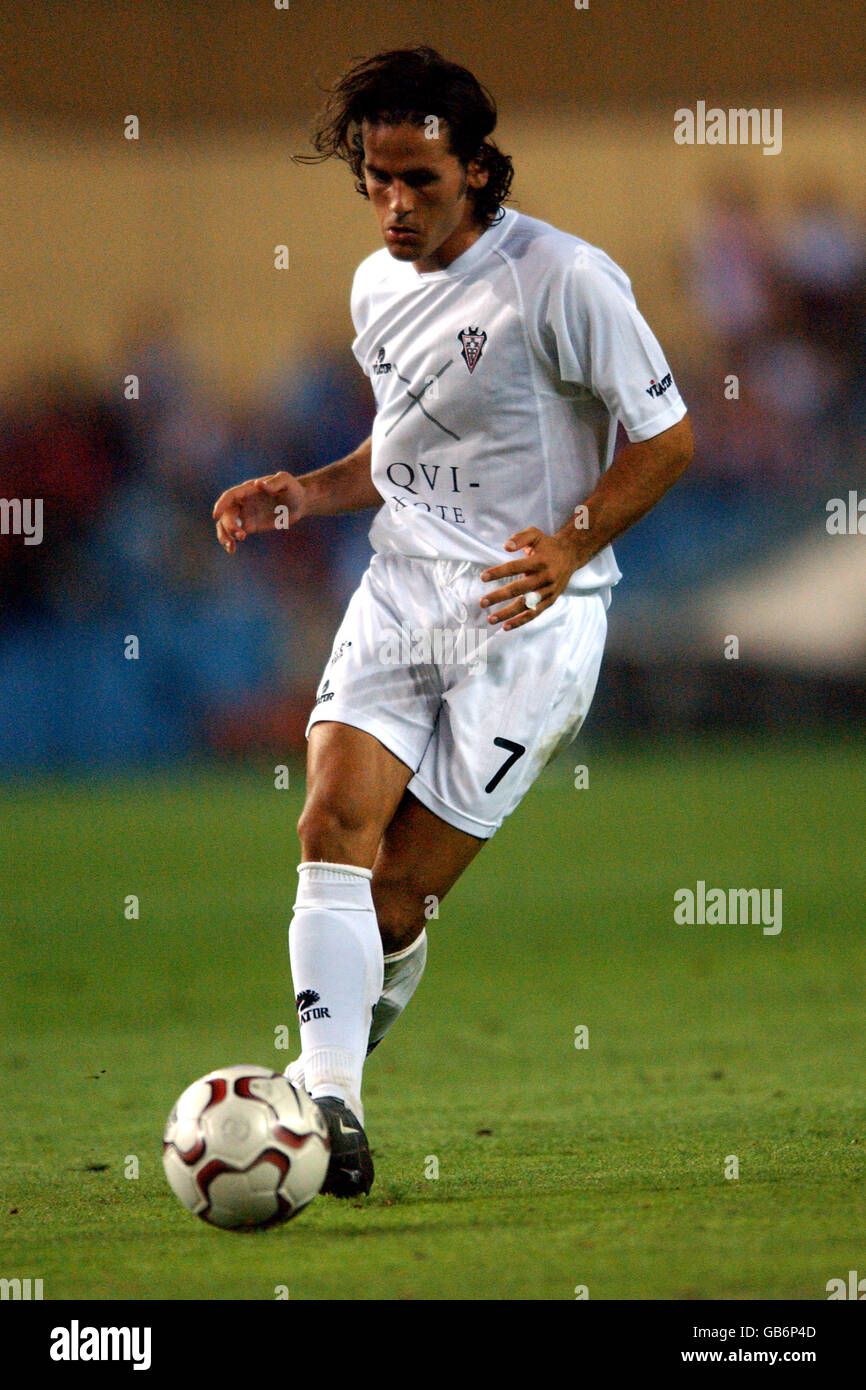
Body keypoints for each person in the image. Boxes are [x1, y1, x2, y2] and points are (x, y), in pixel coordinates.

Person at [213, 46, 693, 1197]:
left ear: (475, 170)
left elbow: (667, 438)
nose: (393, 203)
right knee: (328, 818)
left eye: (418, 179)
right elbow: (408, 445)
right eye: (376, 179)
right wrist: (310, 490)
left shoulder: (565, 280)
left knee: (392, 897)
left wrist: (571, 540)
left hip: (530, 621)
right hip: (403, 588)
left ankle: (329, 1060)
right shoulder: (375, 287)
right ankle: (329, 1106)